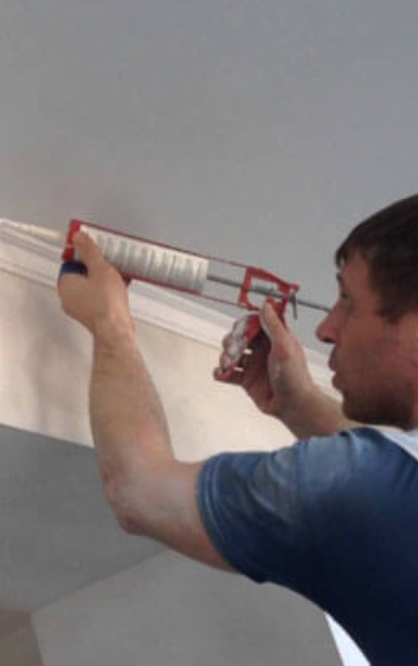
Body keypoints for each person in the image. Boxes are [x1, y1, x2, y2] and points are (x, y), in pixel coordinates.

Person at [57, 193, 418, 664]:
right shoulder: (380, 485)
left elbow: (139, 491)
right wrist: (300, 406)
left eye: (348, 301)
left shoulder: (358, 485)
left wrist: (111, 324)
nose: (326, 329)